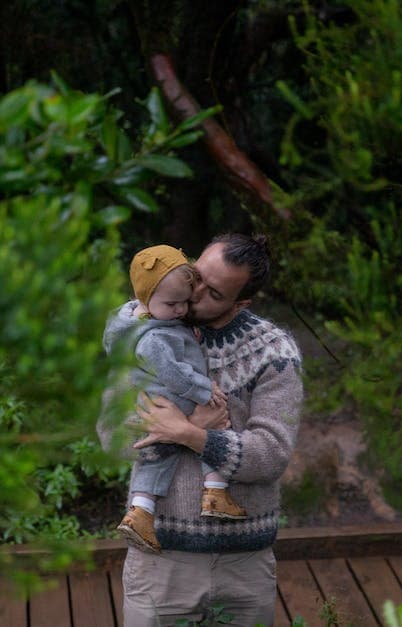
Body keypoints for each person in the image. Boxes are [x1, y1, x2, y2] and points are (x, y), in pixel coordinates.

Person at [97, 233, 304, 627]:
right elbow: (112, 436)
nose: (193, 295)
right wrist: (187, 426)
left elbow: (272, 453)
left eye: (213, 293)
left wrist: (195, 437)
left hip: (244, 564)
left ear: (240, 303)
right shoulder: (141, 332)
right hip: (160, 561)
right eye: (197, 276)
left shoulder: (274, 351)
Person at [103, 244, 250, 555]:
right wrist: (201, 392)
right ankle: (215, 491)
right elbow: (172, 372)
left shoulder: (156, 321)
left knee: (158, 458)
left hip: (162, 407)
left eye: (185, 301)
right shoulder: (154, 337)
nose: (183, 310)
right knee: (216, 424)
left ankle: (140, 512)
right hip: (174, 398)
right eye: (174, 304)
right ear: (145, 299)